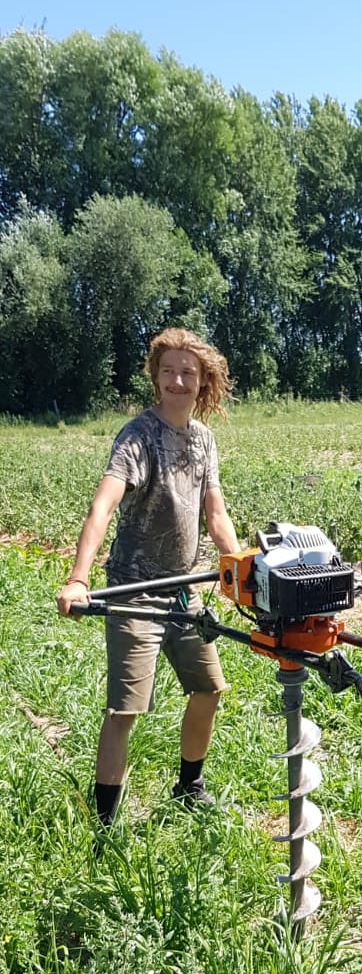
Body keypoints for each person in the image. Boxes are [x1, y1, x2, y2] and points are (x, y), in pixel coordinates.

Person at [57, 327, 239, 824]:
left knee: (209, 690)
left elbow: (215, 513)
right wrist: (79, 577)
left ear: (202, 382)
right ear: (155, 380)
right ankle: (105, 825)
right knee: (125, 710)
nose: (178, 380)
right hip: (135, 589)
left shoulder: (203, 440)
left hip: (184, 591)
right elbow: (104, 503)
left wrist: (240, 565)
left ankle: (189, 786)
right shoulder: (137, 436)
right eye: (169, 372)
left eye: (188, 372)